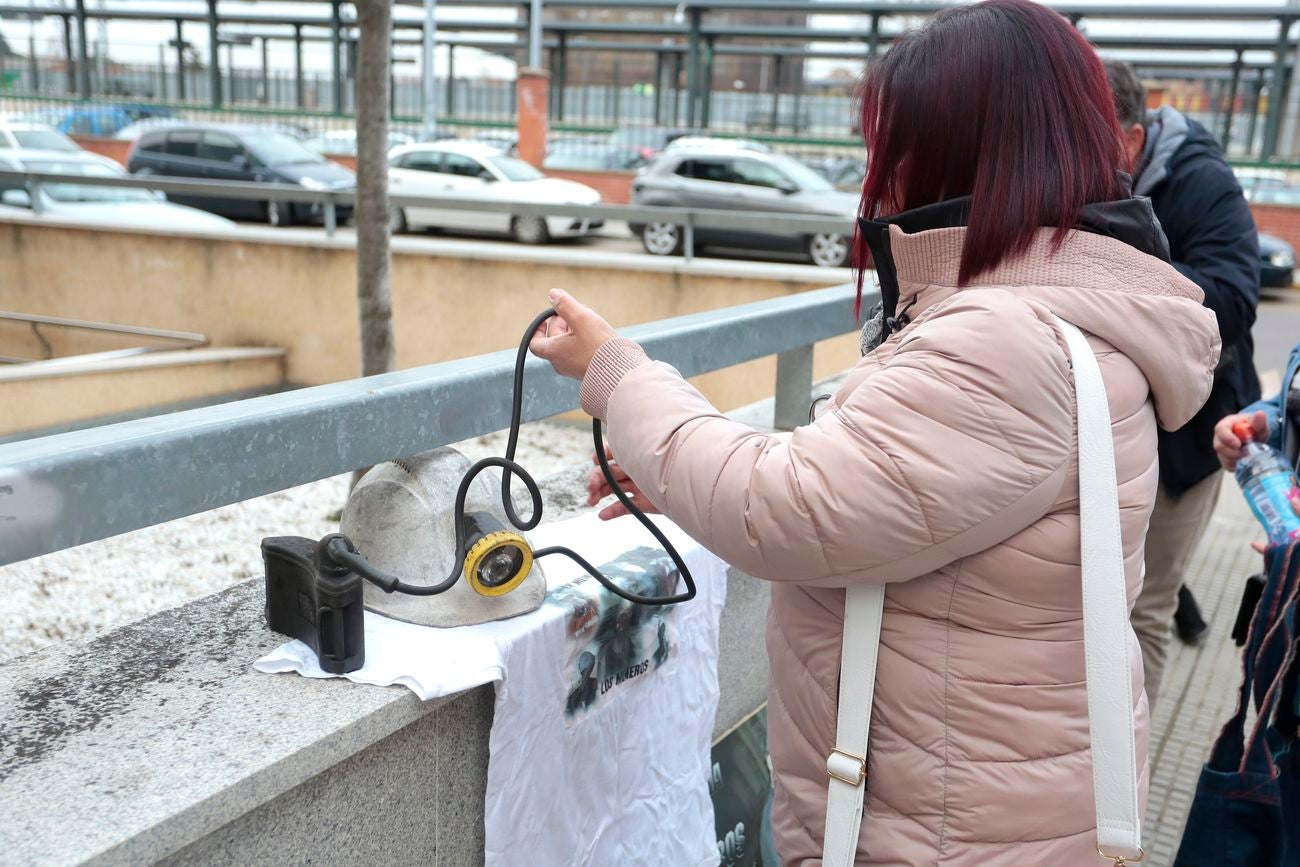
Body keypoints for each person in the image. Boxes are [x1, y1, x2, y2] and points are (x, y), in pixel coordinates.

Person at [532, 2, 1220, 862]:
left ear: (955, 151)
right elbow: (887, 481)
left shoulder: (1003, 336)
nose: (879, 174)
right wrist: (669, 465)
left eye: (894, 144)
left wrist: (618, 376)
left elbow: (782, 508)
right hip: (1001, 802)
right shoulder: (1062, 310)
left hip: (946, 827)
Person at [1105, 60, 1262, 709]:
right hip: (1113, 420)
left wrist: (1119, 276)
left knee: (1145, 603)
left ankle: (1124, 787)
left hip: (1191, 433)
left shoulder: (1201, 179)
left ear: (1133, 140)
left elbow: (1234, 296)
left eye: (1088, 136)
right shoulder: (1091, 181)